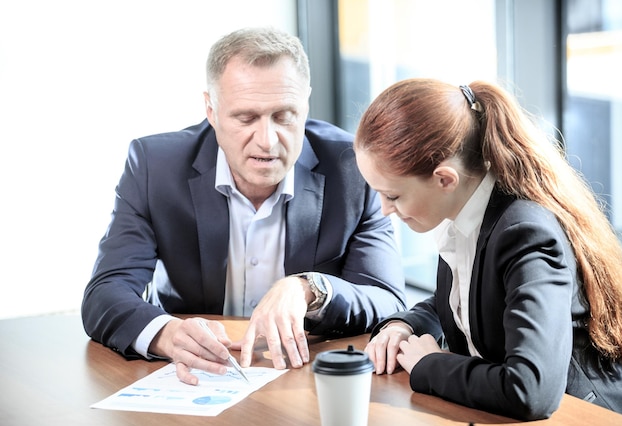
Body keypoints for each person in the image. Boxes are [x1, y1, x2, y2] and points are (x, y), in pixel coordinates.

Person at [82, 27, 406, 386]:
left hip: (302, 380)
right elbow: (105, 293)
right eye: (246, 118)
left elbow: (387, 298)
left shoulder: (352, 167)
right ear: (211, 110)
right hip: (195, 378)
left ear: (306, 104)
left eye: (284, 116)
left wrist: (309, 289)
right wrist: (167, 333)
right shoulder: (154, 167)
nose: (267, 141)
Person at [353, 77, 622, 420]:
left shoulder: (524, 233)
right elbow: (466, 302)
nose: (384, 209)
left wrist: (430, 365)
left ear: (445, 179)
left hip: (582, 417)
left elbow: (530, 390)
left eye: (392, 195)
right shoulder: (463, 214)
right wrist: (404, 325)